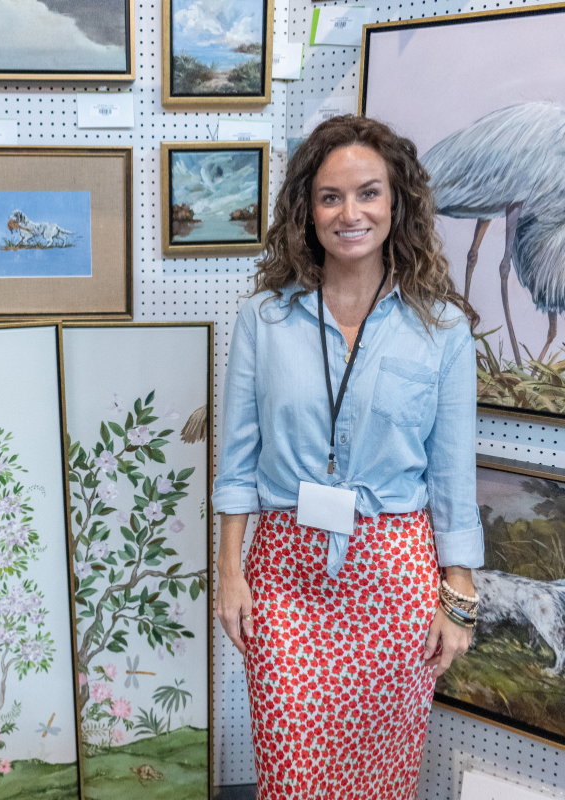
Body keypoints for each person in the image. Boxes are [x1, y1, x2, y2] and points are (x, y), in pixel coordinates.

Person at [212, 115, 484, 800]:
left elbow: (451, 473)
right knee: (291, 770)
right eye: (330, 196)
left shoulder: (443, 329)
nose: (350, 212)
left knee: (382, 774)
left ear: (397, 204)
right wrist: (229, 573)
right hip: (284, 574)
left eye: (368, 193)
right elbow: (238, 460)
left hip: (394, 578)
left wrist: (459, 595)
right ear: (307, 210)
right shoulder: (265, 320)